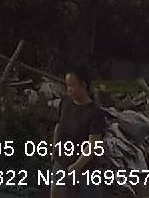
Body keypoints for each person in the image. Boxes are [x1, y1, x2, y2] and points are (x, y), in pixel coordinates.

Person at [51, 66, 106, 198]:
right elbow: (59, 126)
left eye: (72, 85)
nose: (69, 89)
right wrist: (54, 149)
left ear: (83, 85)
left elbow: (93, 144)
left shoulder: (94, 112)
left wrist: (77, 165)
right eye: (67, 85)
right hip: (61, 162)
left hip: (86, 169)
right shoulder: (65, 102)